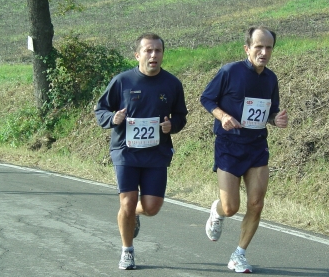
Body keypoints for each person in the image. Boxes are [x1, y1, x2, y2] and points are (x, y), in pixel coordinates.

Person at [94, 33, 188, 270]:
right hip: (126, 151)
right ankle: (127, 250)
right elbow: (101, 110)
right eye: (148, 50)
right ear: (137, 55)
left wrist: (171, 126)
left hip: (157, 153)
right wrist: (112, 118)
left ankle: (134, 213)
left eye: (158, 51)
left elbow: (180, 116)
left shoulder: (172, 84)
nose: (153, 55)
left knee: (151, 207)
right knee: (127, 202)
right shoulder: (122, 81)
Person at [200, 26, 288, 273]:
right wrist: (223, 116)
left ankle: (239, 254)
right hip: (229, 145)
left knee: (257, 203)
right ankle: (216, 211)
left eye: (268, 47)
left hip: (257, 146)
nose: (264, 52)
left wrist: (276, 120)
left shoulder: (271, 79)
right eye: (258, 47)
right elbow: (207, 98)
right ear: (247, 48)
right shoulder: (230, 71)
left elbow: (271, 111)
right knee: (231, 208)